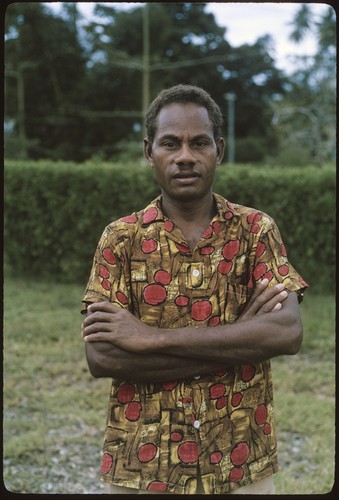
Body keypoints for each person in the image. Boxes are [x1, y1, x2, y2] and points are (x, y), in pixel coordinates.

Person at [81, 84, 308, 495]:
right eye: (171, 143)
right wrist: (240, 340)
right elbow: (101, 355)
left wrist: (148, 339)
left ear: (218, 150)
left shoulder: (256, 230)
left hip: (242, 459)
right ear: (149, 151)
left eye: (198, 142)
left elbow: (286, 332)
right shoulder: (120, 239)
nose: (185, 156)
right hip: (142, 463)